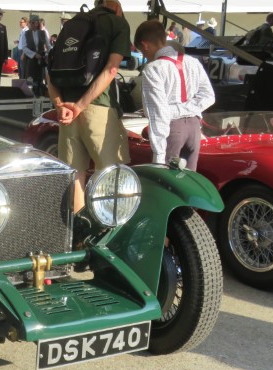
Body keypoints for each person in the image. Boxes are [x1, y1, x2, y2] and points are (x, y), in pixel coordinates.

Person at [46, 0, 131, 213]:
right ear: (116, 6)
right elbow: (112, 69)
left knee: (74, 174)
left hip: (67, 111)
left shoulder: (72, 24)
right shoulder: (117, 23)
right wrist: (81, 105)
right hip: (98, 107)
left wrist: (60, 105)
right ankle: (108, 226)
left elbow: (51, 73)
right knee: (110, 173)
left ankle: (78, 225)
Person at [135, 20, 214, 170]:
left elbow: (158, 114)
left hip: (171, 129)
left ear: (145, 45)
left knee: (166, 180)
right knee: (189, 179)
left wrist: (158, 158)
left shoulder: (153, 69)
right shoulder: (193, 62)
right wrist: (187, 109)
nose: (145, 56)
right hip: (194, 128)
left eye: (142, 52)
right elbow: (208, 96)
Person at [21, 15, 49, 96]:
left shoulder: (42, 33)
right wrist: (34, 54)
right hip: (30, 59)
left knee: (40, 77)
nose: (33, 24)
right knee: (30, 77)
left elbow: (48, 45)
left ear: (38, 23)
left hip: (41, 59)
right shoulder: (26, 33)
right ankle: (30, 94)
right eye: (32, 23)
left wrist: (48, 54)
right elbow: (24, 47)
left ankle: (39, 93)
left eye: (35, 23)